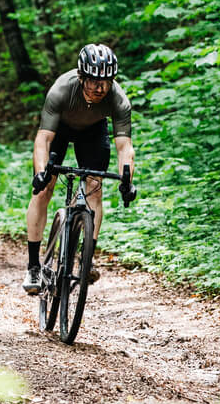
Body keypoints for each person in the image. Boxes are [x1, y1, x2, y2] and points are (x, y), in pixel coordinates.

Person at [23, 43, 136, 294]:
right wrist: (41, 171)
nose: (100, 87)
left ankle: (86, 259)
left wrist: (127, 180)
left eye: (106, 81)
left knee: (94, 189)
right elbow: (43, 138)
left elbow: (124, 146)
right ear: (81, 77)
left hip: (93, 132)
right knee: (43, 190)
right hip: (60, 129)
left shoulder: (118, 99)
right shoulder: (62, 90)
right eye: (94, 81)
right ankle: (33, 266)